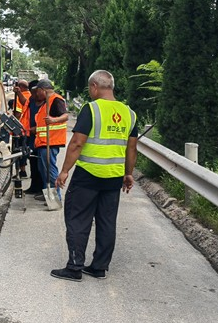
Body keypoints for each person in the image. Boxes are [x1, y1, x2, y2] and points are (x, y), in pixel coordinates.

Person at [50, 70, 138, 282]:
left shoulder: (92, 109)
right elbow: (131, 149)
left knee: (78, 219)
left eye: (90, 89)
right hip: (114, 178)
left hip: (88, 175)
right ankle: (99, 267)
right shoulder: (130, 113)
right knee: (107, 222)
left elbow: (78, 143)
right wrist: (128, 174)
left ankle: (74, 267)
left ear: (94, 87)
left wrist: (64, 171)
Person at [32, 78, 68, 202]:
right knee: (44, 170)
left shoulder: (56, 100)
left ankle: (55, 197)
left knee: (50, 170)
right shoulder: (46, 102)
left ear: (43, 90)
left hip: (51, 142)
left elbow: (65, 116)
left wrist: (53, 120)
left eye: (38, 91)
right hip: (44, 142)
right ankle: (48, 192)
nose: (36, 94)